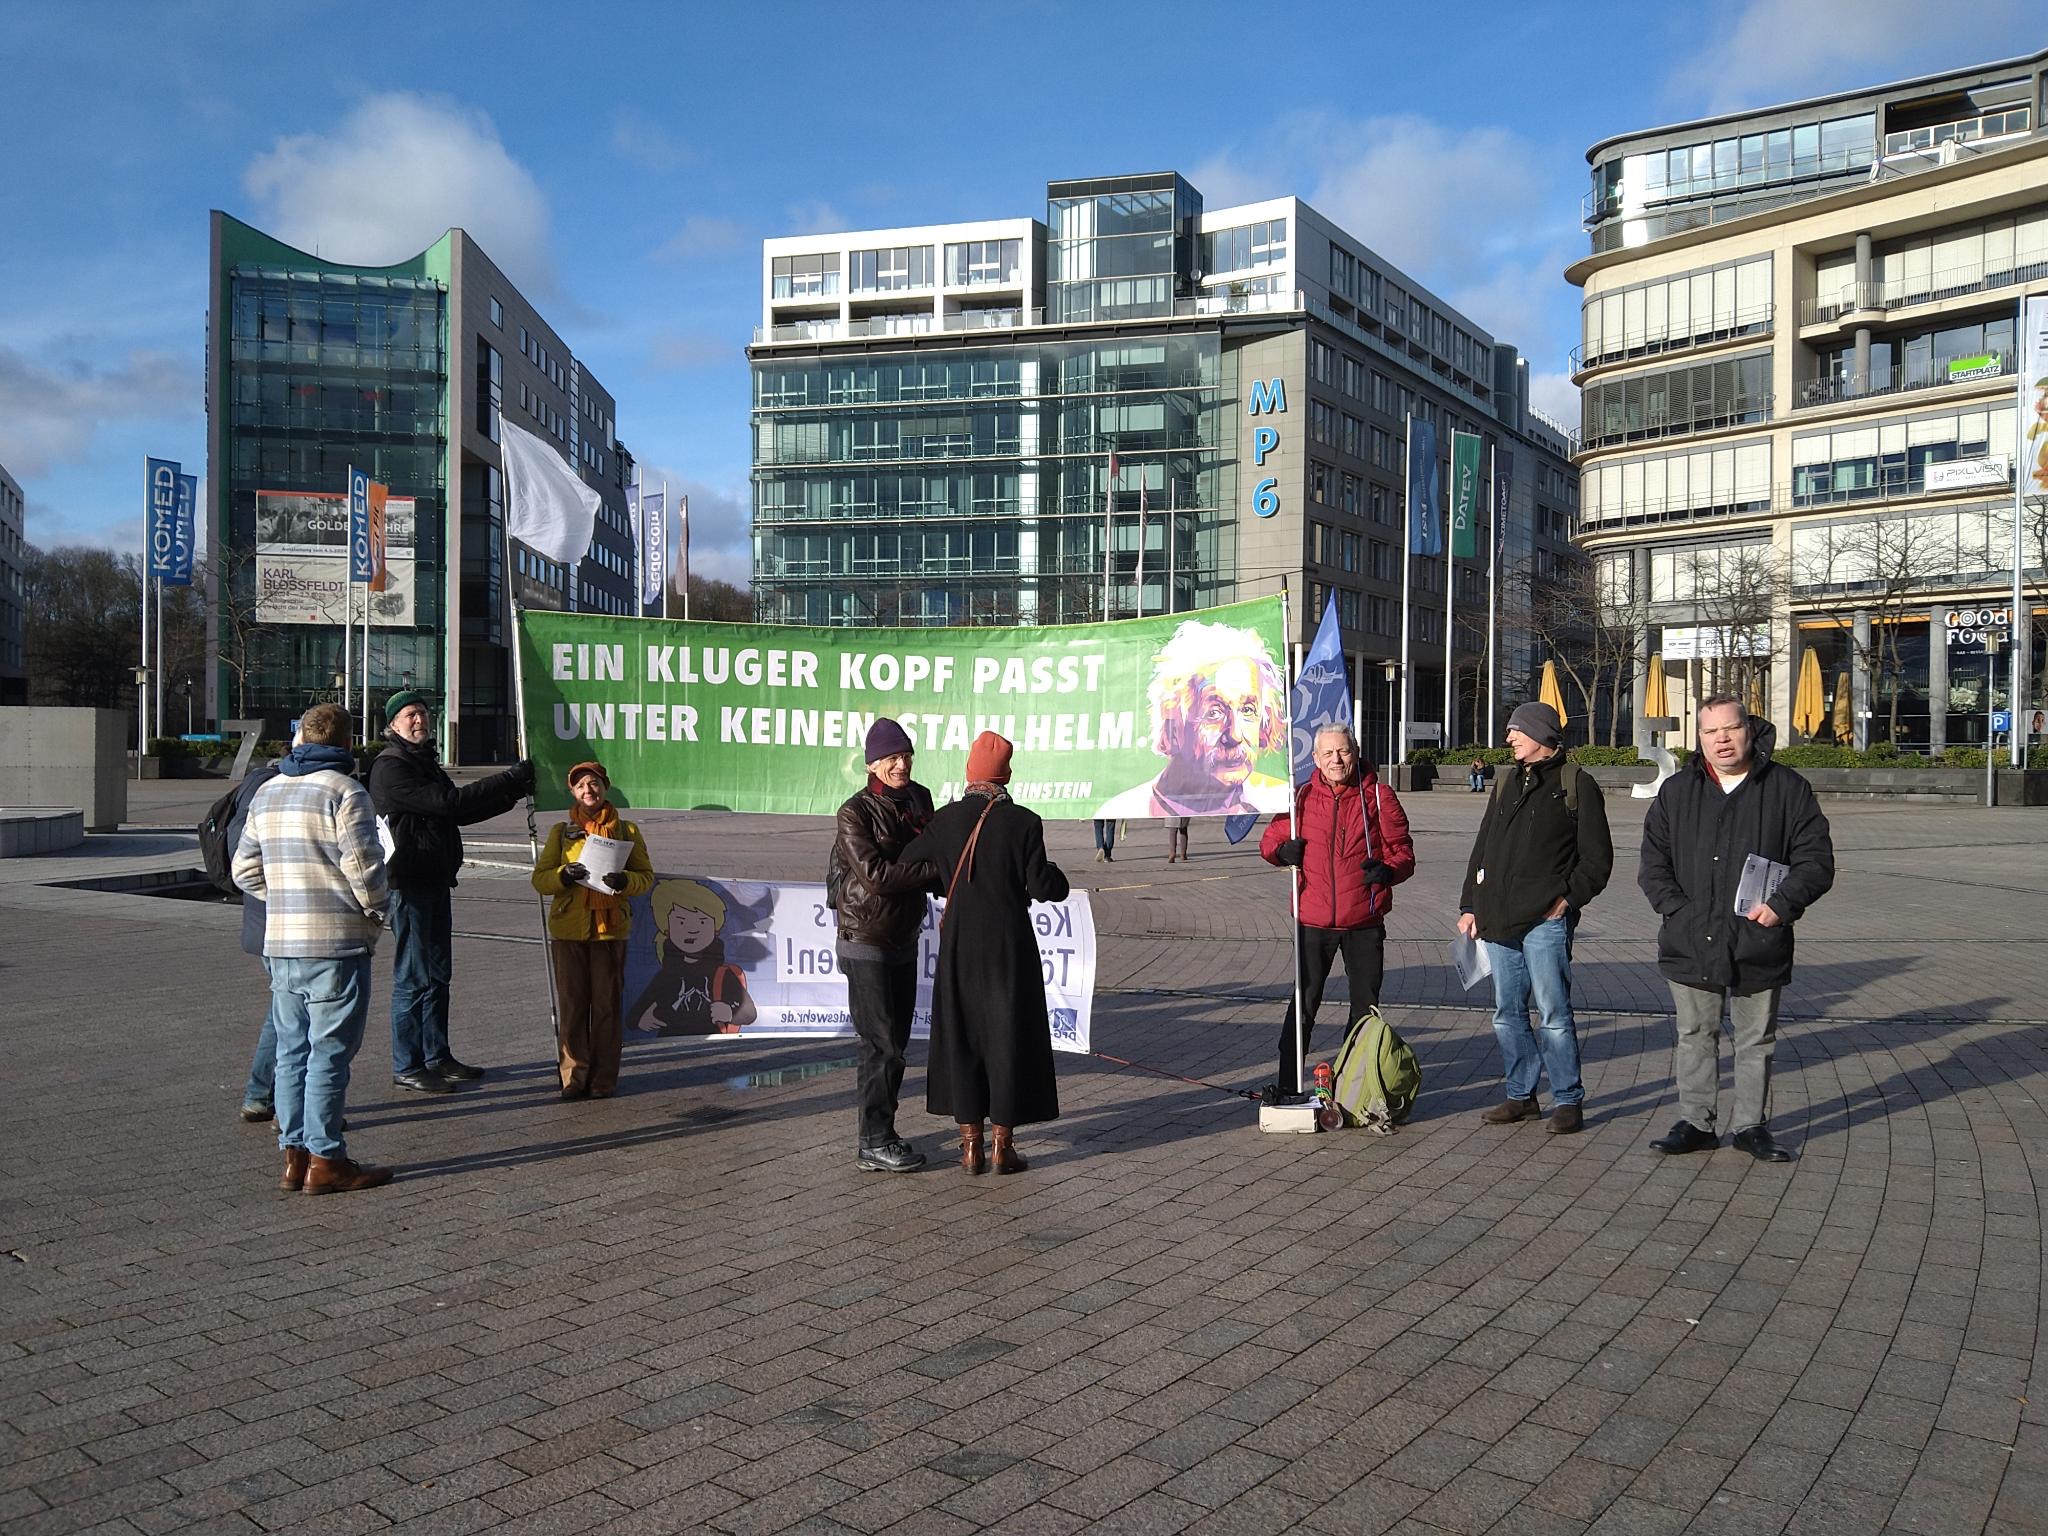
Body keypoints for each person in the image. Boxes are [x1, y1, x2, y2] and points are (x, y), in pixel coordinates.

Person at [1639, 695, 1836, 1162]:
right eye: (1711, 732)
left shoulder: (1787, 788)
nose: (1722, 739)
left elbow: (1816, 861)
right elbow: (1653, 862)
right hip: (1690, 936)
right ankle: (1696, 1121)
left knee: (1755, 1040)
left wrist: (1781, 906)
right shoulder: (1678, 790)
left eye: (1730, 729)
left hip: (1757, 937)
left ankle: (1751, 1125)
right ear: (1699, 738)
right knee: (1695, 1034)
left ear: (1750, 730)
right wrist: (1676, 910)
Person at [231, 703, 392, 1195]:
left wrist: (285, 897)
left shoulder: (269, 791)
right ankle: (327, 1159)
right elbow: (364, 868)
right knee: (329, 1054)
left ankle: (293, 1156)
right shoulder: (344, 791)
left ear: (300, 736)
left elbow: (243, 870)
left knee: (290, 1051)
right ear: (346, 743)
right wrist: (375, 912)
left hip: (282, 943)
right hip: (336, 944)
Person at [901, 731, 1069, 1175]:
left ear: (969, 772)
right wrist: (1054, 874)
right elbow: (1041, 886)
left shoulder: (946, 820)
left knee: (964, 1036)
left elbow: (911, 862)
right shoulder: (1024, 822)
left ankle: (969, 1145)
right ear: (1006, 774)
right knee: (1007, 1037)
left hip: (959, 945)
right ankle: (1003, 1147)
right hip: (1009, 946)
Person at [1457, 701, 1613, 1135]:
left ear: (1542, 734)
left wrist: (1566, 899)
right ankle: (1521, 1096)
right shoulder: (1506, 781)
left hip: (1545, 921)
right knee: (1506, 1012)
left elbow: (1597, 859)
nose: (1508, 738)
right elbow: (1483, 845)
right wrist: (1470, 904)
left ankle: (1567, 1100)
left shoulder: (1576, 783)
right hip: (1497, 919)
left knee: (1553, 1012)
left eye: (1516, 731)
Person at [368, 690, 535, 1094]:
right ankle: (407, 1063)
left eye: (423, 714)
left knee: (439, 974)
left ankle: (437, 1055)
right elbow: (447, 803)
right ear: (393, 724)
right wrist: (508, 777)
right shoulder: (391, 767)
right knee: (413, 975)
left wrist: (513, 792)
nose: (419, 720)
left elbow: (461, 811)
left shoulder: (422, 762)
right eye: (410, 715)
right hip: (407, 884)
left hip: (435, 878)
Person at [1261, 725, 1415, 1070]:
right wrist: (1282, 852)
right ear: (1315, 758)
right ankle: (1289, 1081)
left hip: (1363, 920)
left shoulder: (1378, 796)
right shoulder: (1300, 798)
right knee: (1304, 1003)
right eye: (1328, 753)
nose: (1336, 759)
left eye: (1343, 751)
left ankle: (1354, 1080)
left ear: (1356, 753)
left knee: (1365, 1008)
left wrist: (1389, 871)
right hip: (1313, 919)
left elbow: (1403, 852)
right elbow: (1268, 843)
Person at [828, 718, 940, 1173]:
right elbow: (875, 877)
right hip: (865, 937)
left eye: (906, 756)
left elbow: (939, 848)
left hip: (904, 935)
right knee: (879, 1044)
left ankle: (884, 1133)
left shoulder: (919, 799)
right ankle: (873, 1141)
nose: (901, 765)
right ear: (873, 764)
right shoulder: (855, 812)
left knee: (896, 1041)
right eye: (892, 758)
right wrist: (934, 871)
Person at [531, 761, 655, 1100]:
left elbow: (646, 878)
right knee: (572, 1007)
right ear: (572, 792)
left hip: (609, 932)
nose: (589, 790)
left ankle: (603, 1078)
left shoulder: (627, 831)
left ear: (605, 786)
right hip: (569, 929)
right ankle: (573, 1077)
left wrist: (625, 881)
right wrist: (562, 875)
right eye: (581, 785)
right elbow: (540, 880)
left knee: (606, 1008)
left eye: (594, 783)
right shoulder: (561, 831)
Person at [1093, 619, 1291, 819]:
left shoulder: (1279, 800)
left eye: (1248, 710)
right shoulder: (1123, 809)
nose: (1234, 735)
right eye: (1213, 712)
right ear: (1173, 727)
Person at [226, 729, 289, 1123]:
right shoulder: (268, 790)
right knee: (288, 1014)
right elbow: (244, 863)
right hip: (277, 922)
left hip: (267, 920)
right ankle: (267, 1096)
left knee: (284, 1010)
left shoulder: (258, 785)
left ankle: (263, 1095)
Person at [627, 879, 760, 1035]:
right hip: (670, 1042)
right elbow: (632, 1015)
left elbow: (750, 1013)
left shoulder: (722, 975)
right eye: (681, 922)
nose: (692, 930)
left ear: (716, 930)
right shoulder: (667, 975)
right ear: (666, 929)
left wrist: (730, 1013)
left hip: (712, 1042)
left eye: (702, 922)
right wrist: (642, 1020)